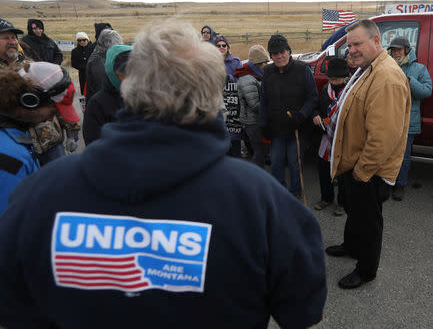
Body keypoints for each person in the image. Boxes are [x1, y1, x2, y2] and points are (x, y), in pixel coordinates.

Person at [0, 20, 326, 329]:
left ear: (128, 85)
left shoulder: (38, 196)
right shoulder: (262, 202)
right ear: (213, 94)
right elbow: (302, 308)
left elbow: (15, 308)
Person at [326, 19, 411, 289]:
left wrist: (362, 173)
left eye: (357, 43)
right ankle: (351, 246)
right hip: (356, 163)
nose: (351, 49)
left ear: (376, 41)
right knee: (354, 212)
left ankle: (366, 269)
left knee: (368, 221)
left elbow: (383, 137)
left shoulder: (386, 78)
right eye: (349, 45)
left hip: (369, 170)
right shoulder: (368, 68)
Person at [0, 61, 79, 216]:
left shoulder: (17, 135)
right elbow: (10, 222)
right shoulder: (9, 158)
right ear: (30, 100)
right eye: (53, 110)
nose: (52, 118)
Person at [260, 34, 318, 199]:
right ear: (271, 56)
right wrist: (263, 123)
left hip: (296, 127)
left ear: (289, 51)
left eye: (282, 52)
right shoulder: (268, 72)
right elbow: (263, 99)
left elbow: (312, 97)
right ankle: (279, 193)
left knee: (294, 162)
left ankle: (295, 192)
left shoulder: (302, 69)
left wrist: (301, 115)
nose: (279, 56)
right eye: (275, 54)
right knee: (276, 162)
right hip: (276, 127)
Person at [388, 36, 432, 201]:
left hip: (408, 121)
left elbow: (426, 92)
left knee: (403, 156)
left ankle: (400, 185)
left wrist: (409, 81)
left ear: (407, 50)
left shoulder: (420, 69)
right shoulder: (386, 66)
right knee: (386, 152)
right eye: (393, 50)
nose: (396, 53)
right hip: (388, 119)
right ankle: (387, 181)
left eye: (399, 49)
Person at [312, 57, 348, 216]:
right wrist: (316, 116)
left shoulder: (350, 91)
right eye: (331, 79)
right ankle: (326, 198)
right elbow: (317, 108)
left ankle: (342, 202)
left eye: (337, 79)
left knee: (342, 172)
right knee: (323, 168)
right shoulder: (326, 89)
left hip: (344, 139)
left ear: (345, 77)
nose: (334, 82)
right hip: (326, 137)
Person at [83, 44, 132, 145]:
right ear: (111, 71)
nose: (130, 77)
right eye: (123, 72)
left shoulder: (146, 97)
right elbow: (93, 143)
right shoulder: (97, 103)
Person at [234, 44, 270, 168]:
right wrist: (272, 106)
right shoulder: (247, 79)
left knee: (261, 151)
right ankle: (256, 176)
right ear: (258, 63)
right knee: (259, 151)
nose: (267, 65)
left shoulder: (255, 74)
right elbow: (254, 105)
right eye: (265, 62)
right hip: (252, 121)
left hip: (255, 120)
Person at [215, 35, 243, 157]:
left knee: (234, 137)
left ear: (228, 47)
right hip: (217, 101)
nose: (221, 47)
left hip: (233, 103)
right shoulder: (209, 61)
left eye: (224, 45)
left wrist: (229, 78)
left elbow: (241, 79)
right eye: (218, 45)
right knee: (220, 136)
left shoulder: (236, 61)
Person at [85, 29, 123, 102]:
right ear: (110, 44)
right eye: (117, 45)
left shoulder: (102, 55)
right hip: (100, 105)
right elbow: (101, 87)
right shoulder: (97, 61)